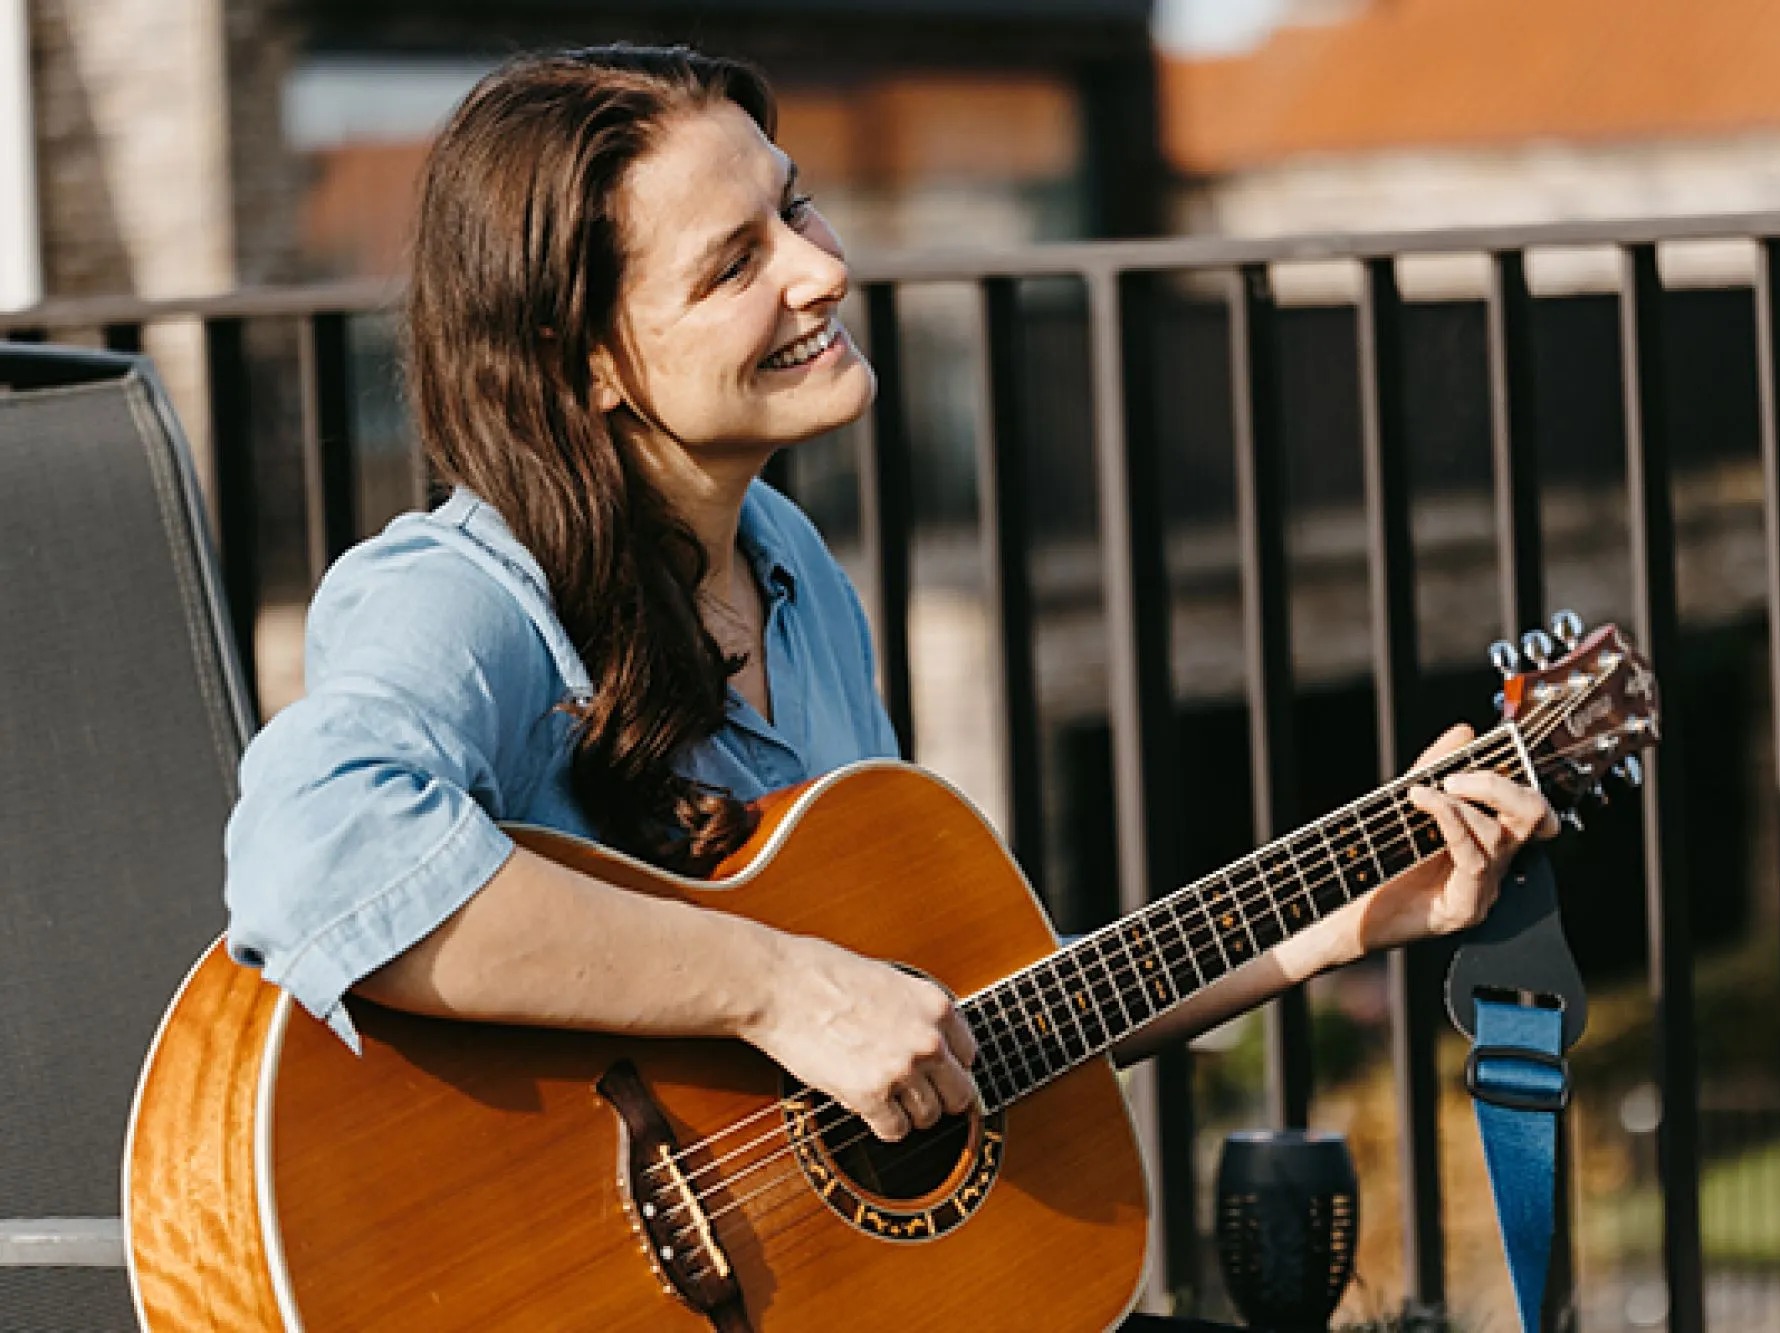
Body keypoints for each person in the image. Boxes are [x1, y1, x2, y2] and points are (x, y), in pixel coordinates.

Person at [222, 42, 1555, 1325]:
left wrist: (1337, 925)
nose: (821, 269)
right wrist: (778, 987)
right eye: (736, 262)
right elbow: (313, 855)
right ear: (584, 364)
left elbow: (956, 1030)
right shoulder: (462, 595)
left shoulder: (788, 566)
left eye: (793, 205)